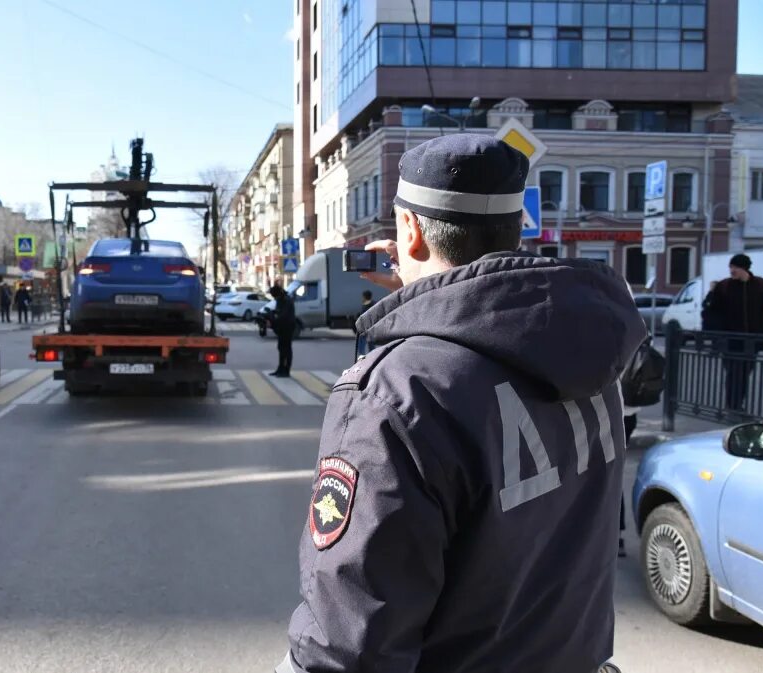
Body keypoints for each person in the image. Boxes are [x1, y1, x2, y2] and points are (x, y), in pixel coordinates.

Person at [277, 134, 646, 673]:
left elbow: (349, 643)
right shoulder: (590, 353)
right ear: (516, 227)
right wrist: (417, 295)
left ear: (411, 231)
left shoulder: (399, 391)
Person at [709, 254, 763, 411]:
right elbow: (714, 311)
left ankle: (739, 403)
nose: (732, 271)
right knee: (733, 372)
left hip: (752, 340)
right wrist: (719, 335)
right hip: (731, 339)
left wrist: (759, 325)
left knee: (745, 372)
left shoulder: (761, 285)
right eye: (730, 267)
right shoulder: (724, 286)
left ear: (744, 268)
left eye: (735, 267)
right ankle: (732, 405)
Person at [269, 285, 295, 377]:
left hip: (288, 328)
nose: (274, 298)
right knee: (281, 348)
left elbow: (283, 315)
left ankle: (286, 371)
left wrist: (273, 318)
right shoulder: (280, 299)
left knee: (286, 349)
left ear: (278, 294)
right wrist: (272, 313)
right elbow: (279, 312)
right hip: (282, 328)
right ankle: (280, 369)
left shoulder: (287, 300)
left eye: (274, 296)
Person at [353, 289, 375, 360]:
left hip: (364, 329)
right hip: (371, 328)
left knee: (361, 347)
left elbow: (362, 317)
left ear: (364, 297)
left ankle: (363, 360)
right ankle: (373, 359)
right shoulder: (374, 304)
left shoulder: (365, 305)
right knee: (371, 346)